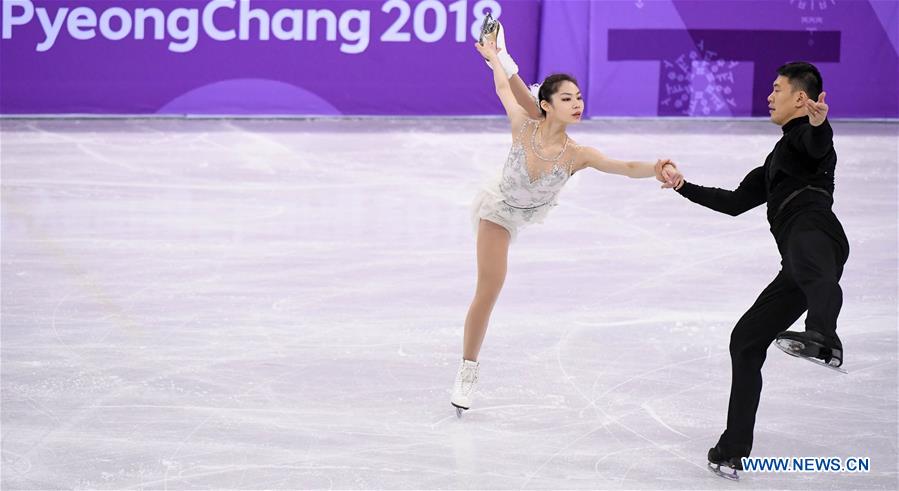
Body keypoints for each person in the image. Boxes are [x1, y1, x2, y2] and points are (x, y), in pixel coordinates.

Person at [451, 27, 682, 416]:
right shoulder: (523, 125)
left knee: (491, 287)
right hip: (499, 211)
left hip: (529, 211)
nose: (577, 104)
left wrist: (656, 168)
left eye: (579, 98)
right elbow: (506, 89)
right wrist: (494, 58)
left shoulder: (579, 154)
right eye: (567, 98)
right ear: (546, 104)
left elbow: (624, 167)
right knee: (489, 289)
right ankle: (467, 369)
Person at [667, 61, 849, 477]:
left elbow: (817, 143)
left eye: (777, 89)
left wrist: (820, 124)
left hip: (816, 231)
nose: (769, 96)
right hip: (797, 257)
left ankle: (824, 336)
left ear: (801, 99)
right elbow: (734, 202)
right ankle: (733, 448)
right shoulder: (775, 161)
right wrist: (682, 186)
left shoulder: (806, 137)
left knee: (814, 272)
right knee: (746, 341)